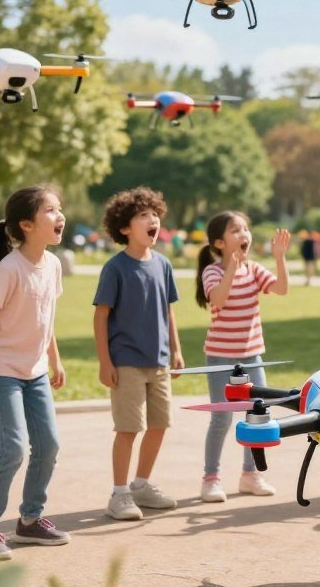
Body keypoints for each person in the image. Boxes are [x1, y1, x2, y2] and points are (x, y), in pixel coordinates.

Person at [0, 186, 70, 560]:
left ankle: (29, 520)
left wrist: (54, 360)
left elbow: (46, 319)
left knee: (48, 445)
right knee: (12, 448)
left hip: (36, 371)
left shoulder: (53, 265)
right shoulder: (9, 269)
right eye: (50, 210)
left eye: (59, 209)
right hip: (2, 371)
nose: (59, 216)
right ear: (26, 224)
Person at [93, 187, 183, 521]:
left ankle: (141, 485)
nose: (152, 220)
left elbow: (168, 311)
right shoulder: (115, 268)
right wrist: (105, 362)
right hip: (126, 361)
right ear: (125, 228)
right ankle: (119, 494)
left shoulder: (164, 265)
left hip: (158, 361)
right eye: (142, 215)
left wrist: (176, 349)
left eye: (154, 214)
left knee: (160, 425)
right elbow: (101, 315)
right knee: (129, 428)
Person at [195, 211, 290, 502]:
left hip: (251, 356)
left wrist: (279, 257)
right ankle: (211, 479)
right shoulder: (213, 272)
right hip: (220, 357)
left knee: (256, 416)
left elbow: (282, 289)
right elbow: (219, 301)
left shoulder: (255, 269)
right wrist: (233, 270)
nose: (244, 234)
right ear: (219, 243)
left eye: (245, 229)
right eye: (235, 230)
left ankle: (251, 475)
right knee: (222, 419)